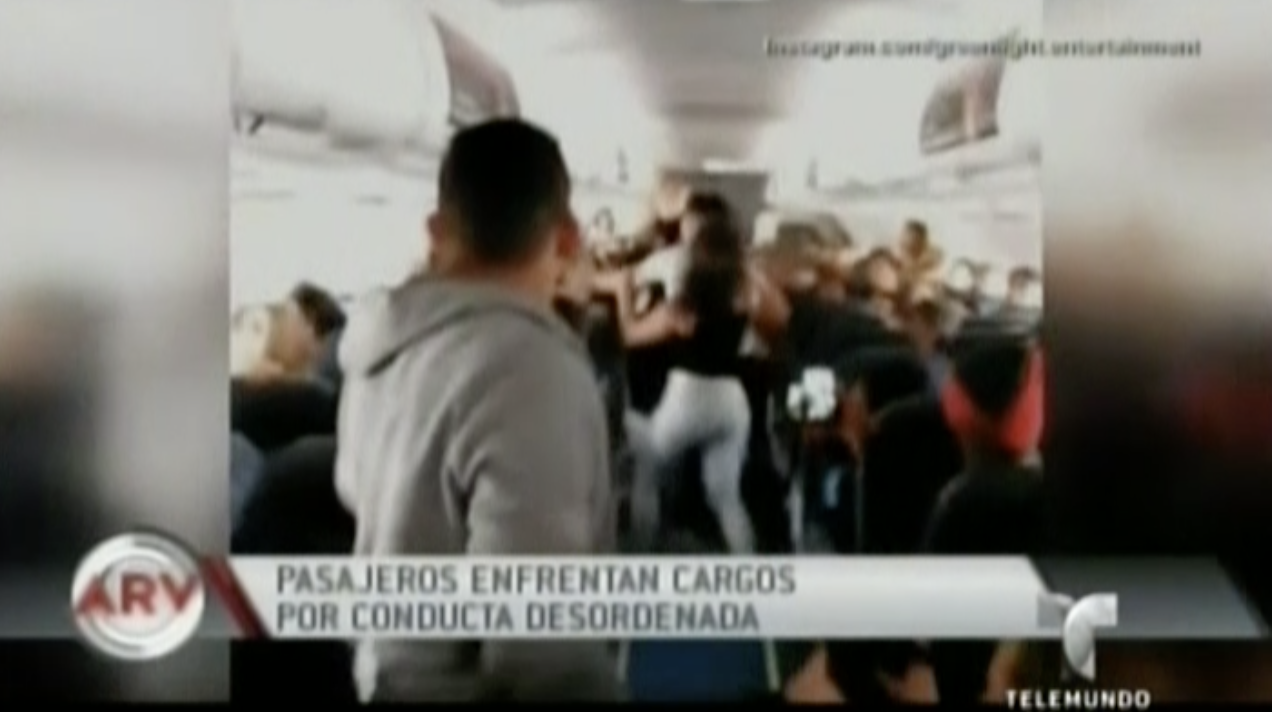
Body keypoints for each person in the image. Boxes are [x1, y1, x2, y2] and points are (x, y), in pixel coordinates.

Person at [334, 118, 620, 702]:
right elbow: (536, 641)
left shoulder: (378, 348)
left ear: (436, 230)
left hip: (384, 670)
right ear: (568, 240)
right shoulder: (532, 369)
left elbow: (353, 488)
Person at [597, 216, 786, 554]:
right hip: (732, 401)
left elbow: (630, 335)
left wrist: (623, 292)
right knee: (726, 498)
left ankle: (638, 553)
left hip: (688, 397)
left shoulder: (682, 307)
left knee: (646, 468)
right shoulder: (745, 298)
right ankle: (748, 564)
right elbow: (779, 321)